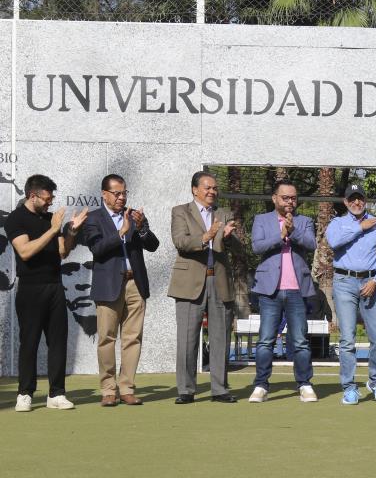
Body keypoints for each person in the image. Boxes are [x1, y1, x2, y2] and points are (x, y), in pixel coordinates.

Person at [4, 174, 88, 411]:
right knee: (29, 342)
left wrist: (71, 231)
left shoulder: (52, 219)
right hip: (30, 288)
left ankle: (57, 393)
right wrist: (52, 230)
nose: (51, 202)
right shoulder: (16, 219)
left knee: (58, 341)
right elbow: (25, 252)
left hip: (54, 287)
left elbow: (63, 252)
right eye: (47, 198)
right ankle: (25, 394)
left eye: (52, 198)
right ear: (33, 195)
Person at [80, 174, 160, 407]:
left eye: (124, 193)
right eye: (117, 193)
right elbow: (97, 248)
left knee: (133, 338)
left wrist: (142, 226)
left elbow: (153, 246)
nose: (121, 197)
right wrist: (121, 232)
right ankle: (108, 389)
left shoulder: (133, 215)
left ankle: (127, 388)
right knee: (107, 338)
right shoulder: (94, 218)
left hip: (135, 283)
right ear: (104, 194)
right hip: (108, 286)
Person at [168, 171, 240, 404]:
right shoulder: (180, 211)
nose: (212, 192)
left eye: (215, 188)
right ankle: (186, 390)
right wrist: (205, 237)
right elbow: (180, 242)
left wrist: (227, 238)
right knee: (187, 339)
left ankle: (219, 389)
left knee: (220, 337)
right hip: (190, 283)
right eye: (207, 188)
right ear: (194, 189)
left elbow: (238, 250)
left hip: (219, 280)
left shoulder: (224, 213)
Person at [326, 183, 376, 405]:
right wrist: (360, 228)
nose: (357, 202)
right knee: (347, 339)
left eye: (360, 199)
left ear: (365, 201)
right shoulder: (337, 224)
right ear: (346, 202)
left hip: (371, 282)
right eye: (352, 199)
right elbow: (334, 242)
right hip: (344, 282)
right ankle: (349, 387)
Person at [248, 180, 318, 403]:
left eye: (294, 198)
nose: (290, 201)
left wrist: (293, 231)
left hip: (297, 289)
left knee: (300, 340)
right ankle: (261, 385)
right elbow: (257, 247)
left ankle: (305, 383)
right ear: (274, 198)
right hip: (269, 289)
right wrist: (280, 234)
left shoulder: (304, 221)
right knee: (265, 340)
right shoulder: (262, 220)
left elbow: (311, 244)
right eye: (285, 197)